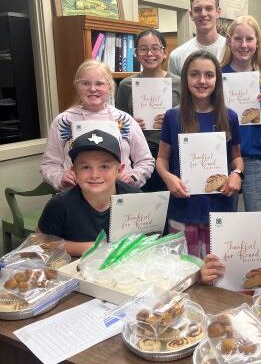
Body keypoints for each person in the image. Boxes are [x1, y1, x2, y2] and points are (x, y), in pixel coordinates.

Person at [156, 51, 243, 258]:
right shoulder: (173, 116)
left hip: (220, 208)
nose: (202, 81)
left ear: (217, 79)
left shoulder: (229, 116)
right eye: (194, 74)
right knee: (184, 272)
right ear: (185, 78)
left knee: (218, 272)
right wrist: (168, 178)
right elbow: (161, 159)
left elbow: (237, 157)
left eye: (209, 75)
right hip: (183, 208)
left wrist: (237, 174)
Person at [40, 59, 154, 191]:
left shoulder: (124, 120)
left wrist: (133, 177)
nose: (92, 89)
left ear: (110, 87)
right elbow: (49, 164)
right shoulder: (63, 121)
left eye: (99, 83)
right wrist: (60, 178)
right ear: (77, 86)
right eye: (85, 83)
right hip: (76, 196)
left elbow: (146, 160)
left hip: (120, 194)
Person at [37, 129, 141, 256]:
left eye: (104, 167)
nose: (95, 175)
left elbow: (150, 239)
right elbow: (40, 242)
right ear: (74, 171)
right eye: (86, 167)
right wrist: (93, 248)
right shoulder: (60, 205)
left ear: (119, 170)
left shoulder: (136, 199)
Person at [221, 15, 261, 211]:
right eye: (237, 39)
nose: (243, 45)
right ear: (229, 41)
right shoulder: (218, 76)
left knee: (259, 221)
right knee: (227, 222)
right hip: (226, 161)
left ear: (257, 42)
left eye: (249, 39)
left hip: (258, 160)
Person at [116, 28, 181, 192]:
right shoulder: (125, 85)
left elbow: (189, 120)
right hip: (138, 154)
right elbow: (116, 126)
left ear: (164, 53)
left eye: (155, 48)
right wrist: (130, 124)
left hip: (172, 152)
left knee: (170, 202)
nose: (149, 53)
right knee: (144, 202)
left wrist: (172, 122)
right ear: (136, 53)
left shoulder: (179, 83)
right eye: (143, 49)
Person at [168, 0, 226, 76]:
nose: (203, 14)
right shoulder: (177, 56)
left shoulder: (231, 50)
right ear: (191, 15)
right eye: (197, 10)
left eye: (209, 8)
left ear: (218, 12)